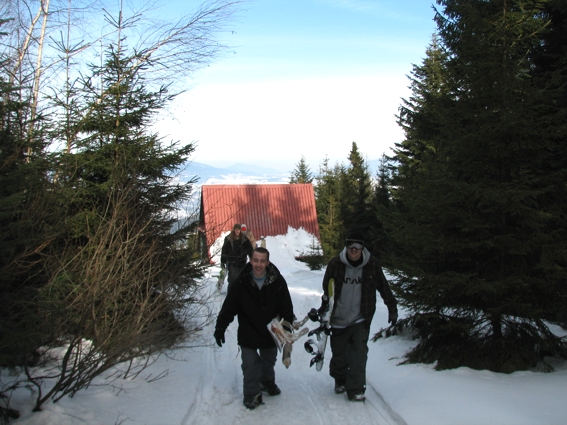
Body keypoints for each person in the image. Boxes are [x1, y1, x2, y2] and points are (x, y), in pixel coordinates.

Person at [314, 228, 398, 402]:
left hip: (360, 317)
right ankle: (340, 379)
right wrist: (323, 311)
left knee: (359, 354)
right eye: (350, 245)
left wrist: (392, 308)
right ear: (346, 246)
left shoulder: (372, 265)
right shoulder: (335, 264)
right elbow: (327, 291)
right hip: (338, 318)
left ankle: (356, 389)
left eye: (358, 245)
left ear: (363, 248)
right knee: (339, 355)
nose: (354, 249)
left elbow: (383, 287)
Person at [214, 247, 295, 410]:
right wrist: (220, 326)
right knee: (250, 364)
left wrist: (287, 326)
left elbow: (286, 306)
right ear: (250, 261)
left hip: (271, 331)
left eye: (262, 261)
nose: (258, 264)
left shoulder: (277, 281)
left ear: (267, 262)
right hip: (248, 330)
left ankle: (267, 382)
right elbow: (229, 306)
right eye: (255, 260)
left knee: (268, 361)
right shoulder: (241, 282)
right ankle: (252, 394)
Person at [221, 223, 254, 291]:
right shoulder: (228, 239)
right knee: (232, 279)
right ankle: (231, 295)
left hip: (242, 262)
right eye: (236, 229)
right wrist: (223, 261)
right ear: (234, 230)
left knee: (241, 279)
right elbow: (224, 250)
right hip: (232, 262)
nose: (237, 231)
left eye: (238, 229)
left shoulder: (244, 239)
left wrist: (252, 258)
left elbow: (250, 249)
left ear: (240, 230)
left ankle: (240, 295)